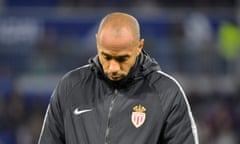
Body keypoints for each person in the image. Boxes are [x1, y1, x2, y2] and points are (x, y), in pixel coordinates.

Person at [38, 12, 199, 144]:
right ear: (97, 43)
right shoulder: (70, 87)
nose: (113, 68)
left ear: (139, 47)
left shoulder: (167, 92)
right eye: (106, 57)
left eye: (122, 58)